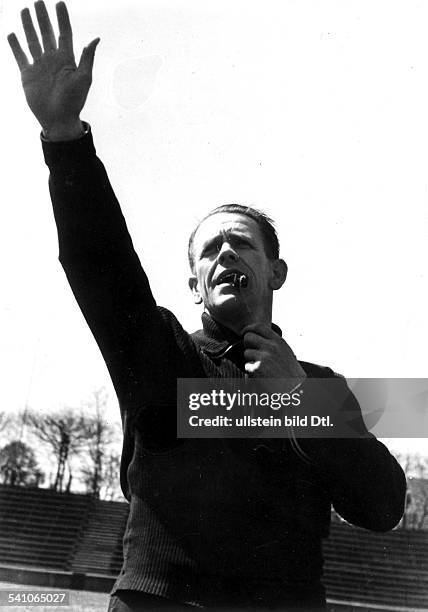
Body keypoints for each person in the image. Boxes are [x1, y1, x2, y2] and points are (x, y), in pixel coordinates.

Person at [8, 3, 406, 610]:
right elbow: (104, 270)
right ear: (195, 286)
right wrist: (64, 141)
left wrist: (297, 403)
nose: (225, 254)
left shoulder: (321, 388)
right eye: (209, 250)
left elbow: (383, 505)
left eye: (241, 243)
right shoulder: (165, 359)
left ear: (275, 271)